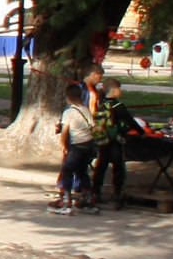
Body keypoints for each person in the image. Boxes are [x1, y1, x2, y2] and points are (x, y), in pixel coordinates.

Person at [89, 77, 144, 207]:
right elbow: (130, 121)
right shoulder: (118, 106)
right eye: (119, 89)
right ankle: (117, 192)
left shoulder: (101, 104)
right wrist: (141, 132)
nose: (120, 92)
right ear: (114, 91)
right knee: (118, 166)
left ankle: (95, 191)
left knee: (101, 165)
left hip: (103, 140)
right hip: (115, 140)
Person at [53, 84, 98, 213]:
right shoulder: (86, 110)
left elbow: (64, 132)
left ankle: (66, 199)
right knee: (82, 172)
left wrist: (64, 146)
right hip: (88, 145)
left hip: (76, 146)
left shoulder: (68, 112)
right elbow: (93, 127)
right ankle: (88, 198)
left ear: (68, 97)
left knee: (67, 170)